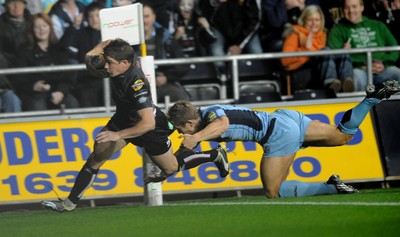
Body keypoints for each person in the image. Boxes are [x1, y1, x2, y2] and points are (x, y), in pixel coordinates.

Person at [41, 38, 229, 212]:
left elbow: (147, 123)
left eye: (109, 63)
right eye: (105, 60)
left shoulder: (137, 84)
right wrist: (102, 46)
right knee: (97, 156)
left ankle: (215, 155)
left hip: (151, 129)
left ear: (124, 64)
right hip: (124, 120)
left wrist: (118, 135)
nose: (105, 66)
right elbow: (91, 61)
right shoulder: (118, 63)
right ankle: (69, 203)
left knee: (170, 168)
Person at [166, 80, 400, 198]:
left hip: (277, 133)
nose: (180, 134)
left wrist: (196, 137)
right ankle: (370, 100)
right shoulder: (207, 114)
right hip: (285, 117)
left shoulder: (210, 116)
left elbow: (223, 124)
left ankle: (330, 187)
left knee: (273, 190)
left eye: (180, 129)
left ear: (189, 123)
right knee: (342, 136)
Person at [328, 0, 400, 91]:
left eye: (354, 7)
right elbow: (334, 55)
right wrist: (361, 63)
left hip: (382, 69)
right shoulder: (337, 30)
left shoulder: (378, 25)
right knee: (356, 77)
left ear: (362, 7)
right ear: (343, 10)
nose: (351, 11)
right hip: (358, 69)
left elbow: (395, 48)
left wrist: (384, 63)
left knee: (397, 74)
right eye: (347, 8)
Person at [281, 4, 354, 92]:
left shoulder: (325, 35)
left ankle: (347, 82)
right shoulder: (295, 34)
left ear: (321, 21)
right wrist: (305, 50)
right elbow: (285, 61)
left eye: (317, 20)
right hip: (302, 73)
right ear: (303, 20)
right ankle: (330, 83)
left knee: (343, 54)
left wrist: (343, 50)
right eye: (310, 20)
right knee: (325, 51)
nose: (314, 23)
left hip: (321, 72)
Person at [15, 13, 79, 111]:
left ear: (50, 27)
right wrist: (33, 87)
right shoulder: (24, 50)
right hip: (34, 93)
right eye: (37, 27)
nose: (41, 30)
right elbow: (19, 79)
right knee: (38, 106)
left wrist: (61, 91)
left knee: (71, 102)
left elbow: (67, 76)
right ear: (32, 30)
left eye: (44, 26)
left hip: (56, 90)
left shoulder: (59, 49)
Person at [141, 3, 190, 103]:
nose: (144, 21)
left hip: (163, 84)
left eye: (147, 16)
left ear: (154, 17)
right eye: (141, 17)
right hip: (137, 86)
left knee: (181, 101)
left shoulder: (166, 38)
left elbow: (183, 66)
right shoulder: (130, 41)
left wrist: (166, 77)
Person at [59, 2, 104, 107]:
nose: (94, 19)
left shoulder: (112, 33)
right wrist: (74, 26)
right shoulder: (82, 33)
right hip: (87, 78)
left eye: (97, 15)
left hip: (108, 78)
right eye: (90, 16)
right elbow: (63, 45)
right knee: (86, 93)